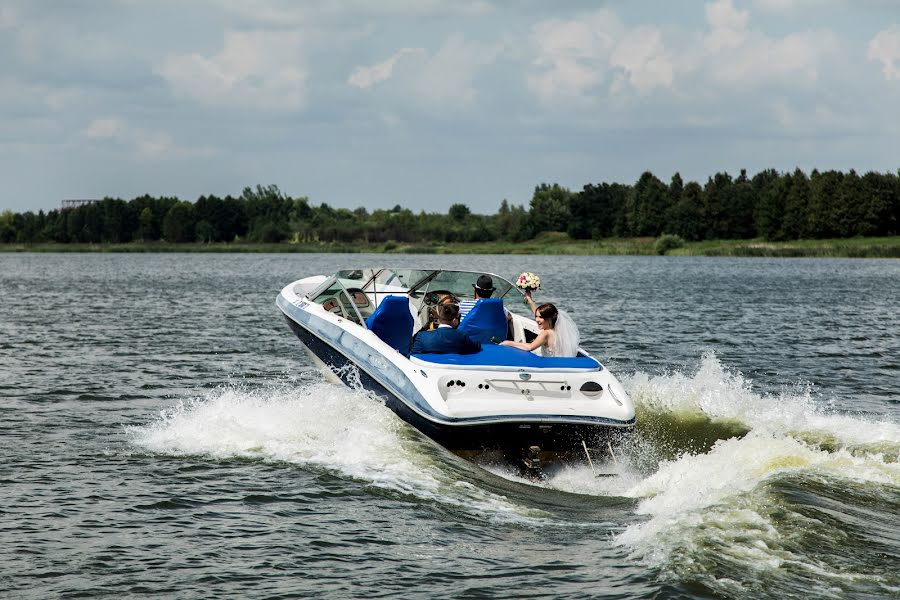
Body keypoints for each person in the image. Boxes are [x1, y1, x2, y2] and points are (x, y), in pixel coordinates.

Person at [501, 293, 580, 357]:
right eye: (536, 317)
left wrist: (509, 343)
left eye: (541, 317)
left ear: (549, 318)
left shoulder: (546, 333)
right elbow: (537, 312)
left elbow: (530, 347)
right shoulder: (557, 330)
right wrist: (530, 300)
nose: (537, 320)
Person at [410, 303, 481, 354]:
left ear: (439, 318)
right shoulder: (462, 337)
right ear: (454, 320)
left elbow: (412, 357)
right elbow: (477, 347)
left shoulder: (422, 337)